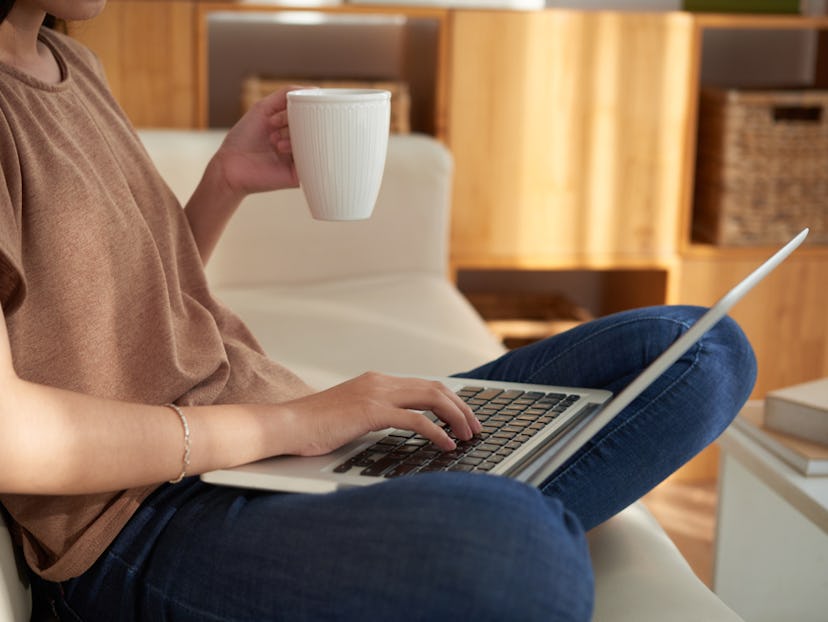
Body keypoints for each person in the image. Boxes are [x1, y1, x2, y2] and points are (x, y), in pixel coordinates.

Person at [0, 1, 757, 620]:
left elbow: (141, 306)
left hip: (271, 445)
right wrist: (296, 423)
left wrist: (224, 182)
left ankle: (427, 500)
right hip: (143, 521)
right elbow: (13, 438)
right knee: (522, 551)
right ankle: (449, 510)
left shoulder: (74, 65)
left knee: (697, 350)